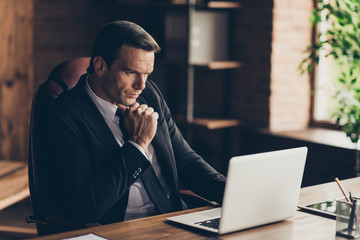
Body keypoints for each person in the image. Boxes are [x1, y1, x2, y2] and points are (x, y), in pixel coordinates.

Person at [40, 20, 225, 226]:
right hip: (120, 229)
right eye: (131, 72)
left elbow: (186, 161)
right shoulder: (64, 117)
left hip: (172, 222)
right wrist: (137, 145)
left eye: (147, 74)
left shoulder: (150, 95)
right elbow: (88, 207)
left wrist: (234, 192)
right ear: (100, 66)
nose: (141, 85)